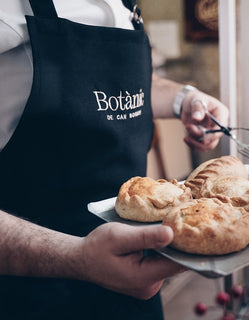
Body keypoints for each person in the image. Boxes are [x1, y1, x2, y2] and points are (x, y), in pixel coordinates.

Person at [0, 0, 229, 319]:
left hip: (134, 284)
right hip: (29, 293)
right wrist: (76, 258)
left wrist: (185, 99)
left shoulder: (124, 4)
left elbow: (117, 83)